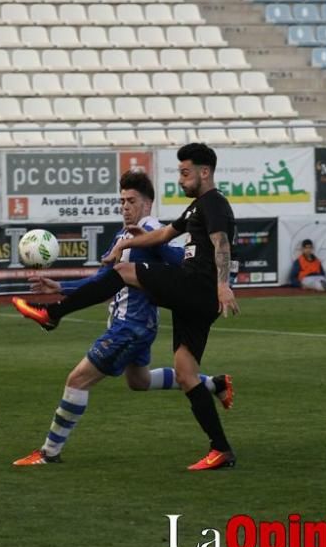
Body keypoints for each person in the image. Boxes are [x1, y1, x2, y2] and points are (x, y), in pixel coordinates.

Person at [13, 143, 239, 470]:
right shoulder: (193, 210)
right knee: (181, 373)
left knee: (79, 374)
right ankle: (221, 445)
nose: (181, 178)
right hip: (192, 300)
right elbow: (163, 235)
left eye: (185, 172)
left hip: (194, 290)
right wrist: (126, 242)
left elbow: (220, 243)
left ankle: (52, 315)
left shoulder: (214, 203)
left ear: (204, 172)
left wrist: (222, 283)